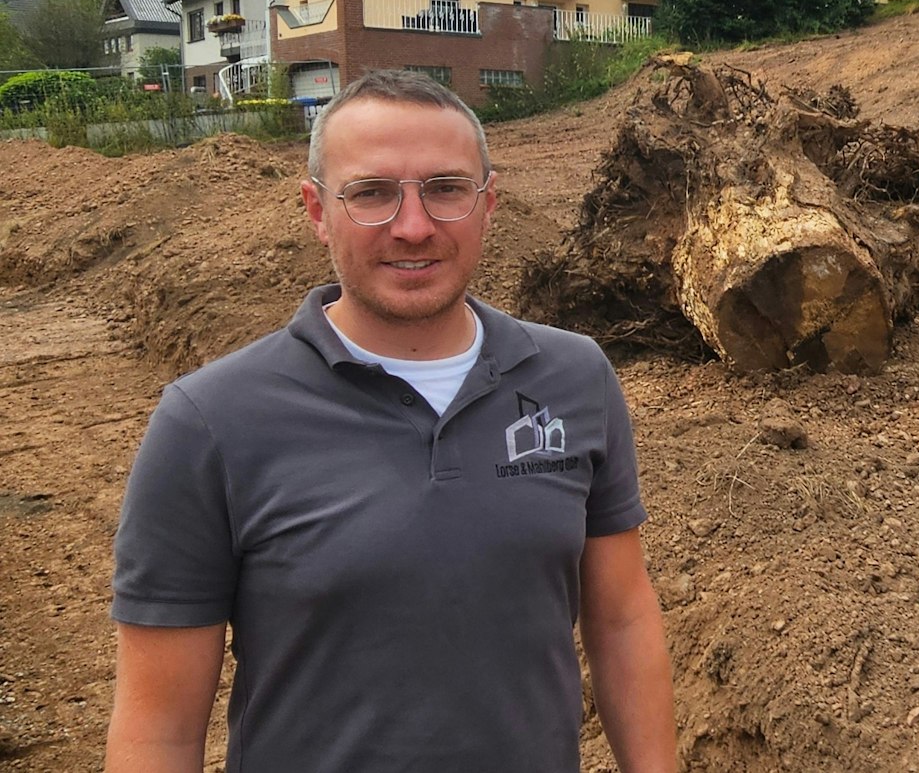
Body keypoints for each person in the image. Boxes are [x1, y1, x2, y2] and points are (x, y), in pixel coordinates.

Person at [105, 70, 677, 772]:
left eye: (445, 188)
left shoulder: (574, 378)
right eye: (372, 193)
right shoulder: (210, 423)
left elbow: (620, 620)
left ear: (488, 202)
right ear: (316, 210)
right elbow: (158, 728)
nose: (413, 226)